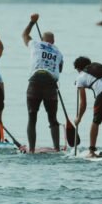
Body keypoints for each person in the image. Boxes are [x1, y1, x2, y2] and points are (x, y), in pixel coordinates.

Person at [22, 13, 64, 152]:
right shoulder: (58, 52)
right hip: (50, 84)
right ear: (53, 41)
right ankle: (57, 149)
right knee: (53, 118)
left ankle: (32, 149)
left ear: (42, 39)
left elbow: (25, 35)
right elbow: (60, 69)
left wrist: (32, 22)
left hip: (35, 82)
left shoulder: (35, 44)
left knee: (32, 116)